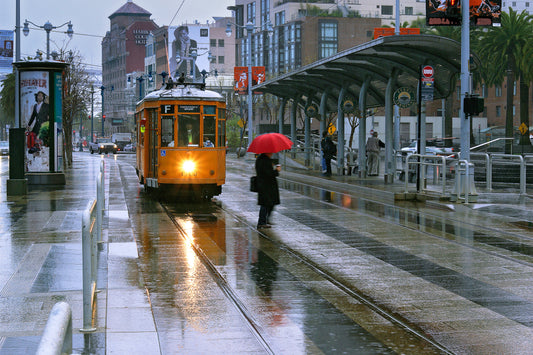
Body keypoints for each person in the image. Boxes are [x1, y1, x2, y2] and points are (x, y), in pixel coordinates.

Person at [255, 153, 281, 229]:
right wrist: (277, 170)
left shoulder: (261, 159)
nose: (272, 153)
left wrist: (271, 165)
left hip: (264, 185)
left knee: (269, 203)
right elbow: (269, 173)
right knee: (266, 204)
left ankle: (265, 220)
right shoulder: (265, 160)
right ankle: (262, 222)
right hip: (267, 186)